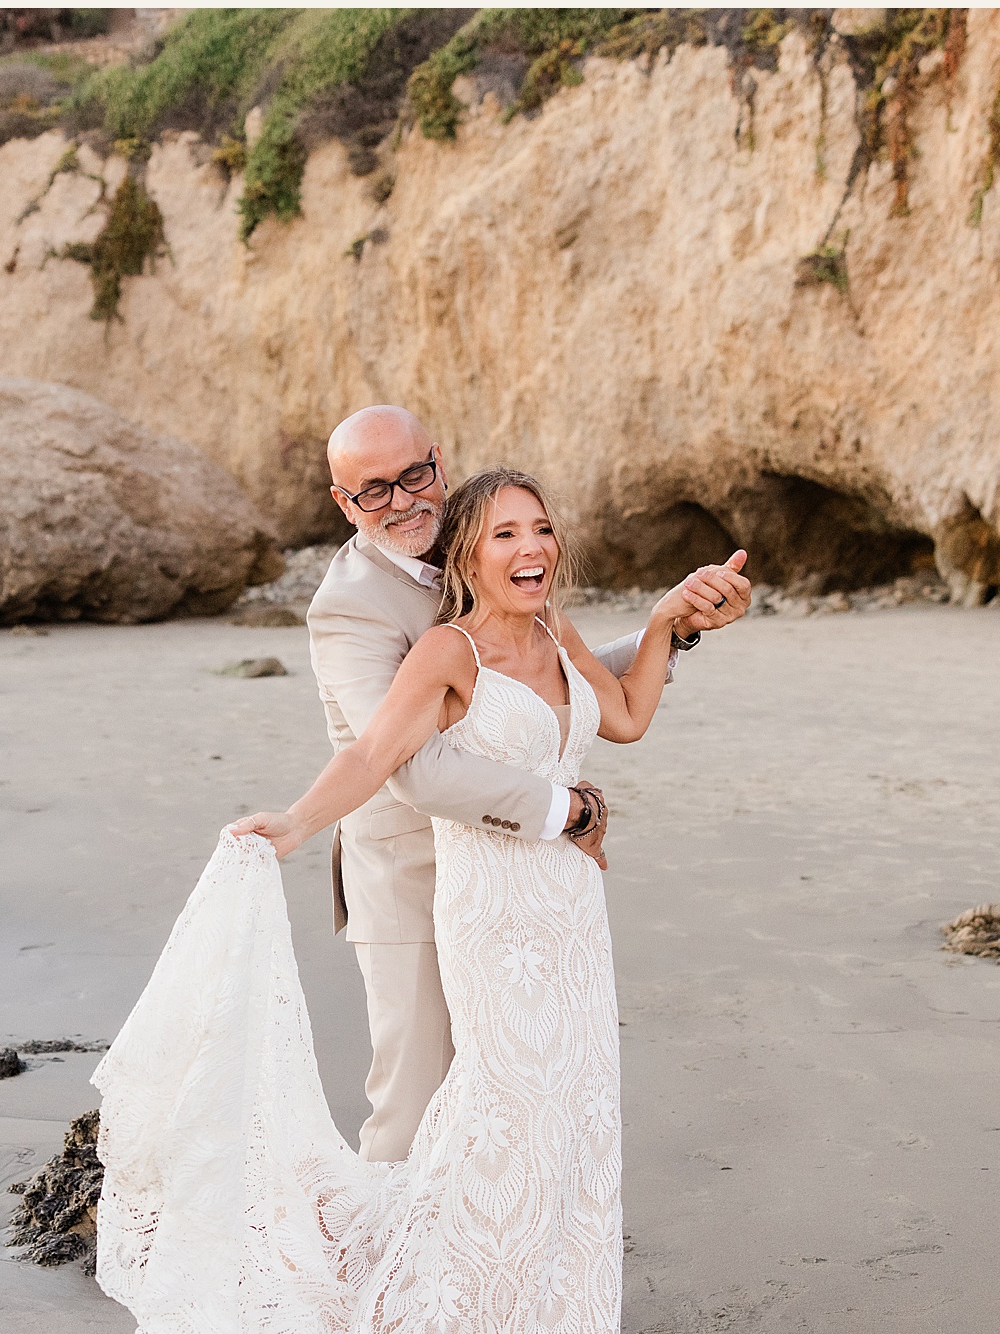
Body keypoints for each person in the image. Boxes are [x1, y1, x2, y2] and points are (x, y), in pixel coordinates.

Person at [91, 467, 722, 1334]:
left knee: (572, 1120)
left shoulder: (557, 632)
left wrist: (664, 622)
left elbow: (625, 720)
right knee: (505, 1117)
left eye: (545, 528)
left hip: (570, 911)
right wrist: (291, 826)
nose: (534, 547)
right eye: (509, 533)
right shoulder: (449, 651)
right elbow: (381, 756)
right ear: (469, 553)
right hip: (491, 916)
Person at [306, 405, 748, 1163]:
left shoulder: (483, 542)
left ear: (438, 463)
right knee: (415, 1102)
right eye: (374, 490)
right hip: (412, 875)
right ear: (346, 504)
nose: (405, 500)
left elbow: (546, 675)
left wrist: (670, 630)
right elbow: (407, 764)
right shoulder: (350, 606)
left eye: (415, 474)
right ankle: (381, 1272)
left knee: (518, 1088)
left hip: (523, 884)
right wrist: (565, 808)